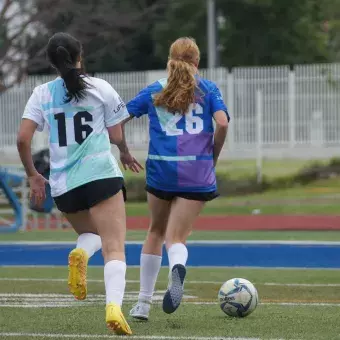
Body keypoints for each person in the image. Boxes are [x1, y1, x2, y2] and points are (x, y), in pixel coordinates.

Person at [16, 32, 141, 335]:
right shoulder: (100, 88)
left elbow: (22, 139)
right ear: (80, 57)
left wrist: (33, 175)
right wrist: (124, 152)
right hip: (100, 174)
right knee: (114, 248)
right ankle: (113, 307)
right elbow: (114, 136)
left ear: (52, 63)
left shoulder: (42, 94)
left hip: (64, 186)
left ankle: (82, 253)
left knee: (91, 235)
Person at [117, 37, 230, 320]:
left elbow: (117, 120)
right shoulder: (208, 88)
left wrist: (125, 152)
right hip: (196, 171)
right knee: (177, 236)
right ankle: (177, 266)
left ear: (170, 60)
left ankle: (143, 304)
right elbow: (223, 123)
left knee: (155, 231)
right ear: (197, 62)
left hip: (162, 170)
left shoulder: (155, 90)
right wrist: (212, 156)